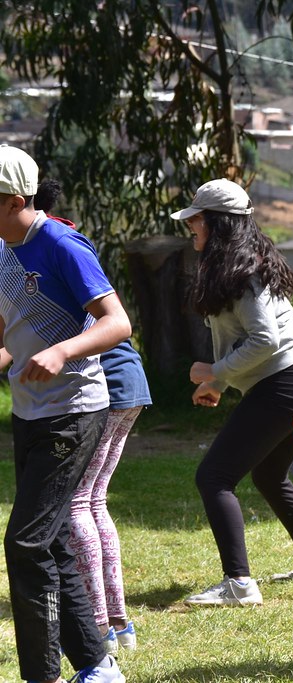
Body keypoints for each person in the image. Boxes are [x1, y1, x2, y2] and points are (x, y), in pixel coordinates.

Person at [0, 145, 129, 682]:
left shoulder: (59, 243)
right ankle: (99, 667)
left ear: (15, 200)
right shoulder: (2, 248)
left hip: (74, 412)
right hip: (30, 413)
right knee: (47, 539)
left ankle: (42, 675)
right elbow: (10, 330)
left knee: (24, 542)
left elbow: (116, 323)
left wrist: (62, 351)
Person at [173, 178, 293, 606]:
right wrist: (217, 383)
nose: (191, 228)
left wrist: (214, 370)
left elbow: (266, 340)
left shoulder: (245, 271)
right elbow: (244, 338)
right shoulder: (236, 264)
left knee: (214, 477)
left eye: (196, 220)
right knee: (268, 474)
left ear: (217, 223)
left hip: (287, 380)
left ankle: (238, 584)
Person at [34, 178, 152, 653]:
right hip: (127, 384)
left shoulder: (51, 246)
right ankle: (116, 623)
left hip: (107, 386)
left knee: (79, 502)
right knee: (93, 500)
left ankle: (100, 628)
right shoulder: (51, 240)